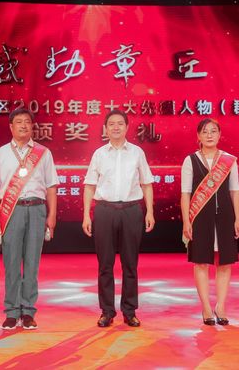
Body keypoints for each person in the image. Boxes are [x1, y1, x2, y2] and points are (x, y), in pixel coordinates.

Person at [82, 109, 155, 328]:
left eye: (120, 123)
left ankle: (129, 311)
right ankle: (107, 311)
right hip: (104, 211)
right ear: (105, 129)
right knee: (105, 264)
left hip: (131, 211)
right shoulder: (99, 154)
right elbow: (89, 185)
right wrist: (86, 215)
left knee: (130, 264)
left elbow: (147, 183)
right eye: (111, 124)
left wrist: (149, 211)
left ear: (127, 127)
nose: (116, 127)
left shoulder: (137, 153)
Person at [0, 108, 58, 330]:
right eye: (19, 122)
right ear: (11, 127)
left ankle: (28, 311)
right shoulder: (0, 154)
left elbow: (51, 186)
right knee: (11, 263)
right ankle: (11, 312)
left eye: (27, 121)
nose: (23, 125)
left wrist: (52, 215)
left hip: (37, 210)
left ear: (32, 126)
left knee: (32, 263)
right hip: (11, 211)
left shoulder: (43, 153)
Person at [180, 118, 239, 326]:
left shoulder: (229, 161)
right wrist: (186, 221)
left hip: (225, 216)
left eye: (213, 131)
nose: (209, 135)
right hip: (199, 216)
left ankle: (221, 306)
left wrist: (237, 218)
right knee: (201, 262)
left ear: (219, 135)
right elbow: (185, 194)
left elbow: (235, 191)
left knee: (224, 262)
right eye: (205, 131)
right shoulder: (190, 160)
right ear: (198, 136)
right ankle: (206, 307)